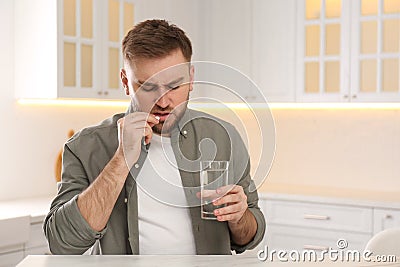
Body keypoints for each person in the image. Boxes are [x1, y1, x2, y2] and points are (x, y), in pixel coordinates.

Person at [44, 19, 265, 255]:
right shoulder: (85, 147)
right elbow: (62, 243)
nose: (163, 101)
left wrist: (239, 217)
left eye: (174, 86)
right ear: (125, 82)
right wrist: (121, 159)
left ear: (191, 78)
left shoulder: (224, 137)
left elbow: (249, 237)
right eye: (148, 87)